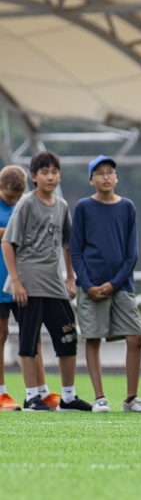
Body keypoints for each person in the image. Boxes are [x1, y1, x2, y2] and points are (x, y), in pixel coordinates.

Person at [1, 151, 89, 411]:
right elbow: (8, 242)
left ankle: (68, 396)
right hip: (29, 282)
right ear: (34, 176)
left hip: (54, 283)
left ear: (59, 175)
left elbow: (68, 243)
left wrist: (70, 276)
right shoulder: (26, 204)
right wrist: (15, 281)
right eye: (45, 172)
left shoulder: (61, 206)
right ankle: (31, 397)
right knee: (29, 340)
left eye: (54, 172)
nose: (50, 177)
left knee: (68, 335)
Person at [71, 155, 141, 414]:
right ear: (91, 179)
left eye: (110, 172)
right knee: (93, 338)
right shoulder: (84, 207)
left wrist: (114, 283)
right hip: (91, 286)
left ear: (116, 177)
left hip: (122, 285)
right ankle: (100, 398)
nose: (106, 177)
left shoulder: (127, 206)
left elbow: (132, 253)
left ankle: (131, 398)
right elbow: (76, 250)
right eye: (100, 173)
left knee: (135, 337)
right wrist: (87, 284)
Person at [0, 165, 30, 411]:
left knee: (31, 335)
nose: (13, 200)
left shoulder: (25, 204)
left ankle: (37, 393)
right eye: (10, 196)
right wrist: (13, 233)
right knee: (1, 335)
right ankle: (1, 394)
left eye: (17, 196)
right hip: (1, 282)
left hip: (24, 281)